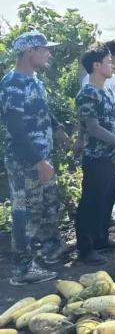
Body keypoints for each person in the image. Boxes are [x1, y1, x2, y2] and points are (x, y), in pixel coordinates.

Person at [0, 31, 70, 285]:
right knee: (26, 211)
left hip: (42, 156)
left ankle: (49, 249)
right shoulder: (13, 84)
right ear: (29, 52)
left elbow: (40, 110)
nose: (48, 53)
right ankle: (23, 268)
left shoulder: (34, 80)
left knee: (48, 204)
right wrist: (38, 161)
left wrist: (57, 127)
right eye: (44, 49)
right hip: (25, 161)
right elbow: (16, 128)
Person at [75, 45, 115, 264]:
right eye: (108, 61)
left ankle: (100, 238)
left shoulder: (105, 90)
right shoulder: (88, 93)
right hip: (96, 157)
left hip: (110, 155)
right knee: (91, 201)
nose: (112, 65)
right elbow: (92, 127)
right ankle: (85, 248)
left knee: (107, 197)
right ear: (96, 66)